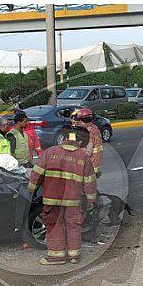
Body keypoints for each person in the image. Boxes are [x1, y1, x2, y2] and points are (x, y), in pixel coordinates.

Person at [28, 126, 97, 265]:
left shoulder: (50, 152)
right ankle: (74, 256)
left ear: (63, 139)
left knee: (54, 225)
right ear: (79, 142)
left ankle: (56, 257)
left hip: (52, 200)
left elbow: (36, 174)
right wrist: (91, 200)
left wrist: (32, 190)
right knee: (73, 225)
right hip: (73, 201)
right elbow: (90, 181)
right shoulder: (83, 157)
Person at [71, 107, 103, 175]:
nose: (77, 122)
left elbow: (88, 152)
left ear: (82, 120)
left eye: (78, 120)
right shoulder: (95, 129)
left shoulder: (87, 133)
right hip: (95, 165)